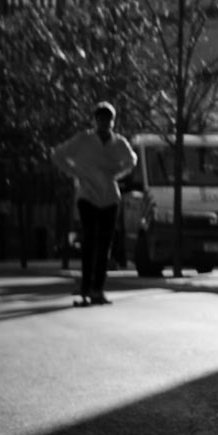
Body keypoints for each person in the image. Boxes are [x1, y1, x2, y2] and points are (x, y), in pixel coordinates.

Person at [52, 102, 138, 305]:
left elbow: (132, 160)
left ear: (112, 121)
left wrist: (116, 173)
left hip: (109, 198)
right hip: (87, 197)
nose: (104, 123)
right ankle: (85, 287)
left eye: (108, 119)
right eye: (101, 119)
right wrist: (76, 173)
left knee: (104, 246)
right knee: (90, 242)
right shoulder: (83, 140)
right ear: (95, 120)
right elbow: (58, 154)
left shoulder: (119, 143)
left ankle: (97, 289)